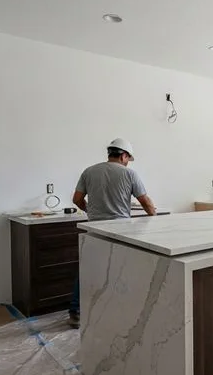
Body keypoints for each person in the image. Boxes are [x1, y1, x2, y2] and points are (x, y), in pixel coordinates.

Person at [67, 138, 156, 328]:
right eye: (128, 158)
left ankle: (75, 312)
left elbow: (76, 199)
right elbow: (146, 202)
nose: (128, 162)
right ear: (124, 155)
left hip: (95, 228)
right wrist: (155, 219)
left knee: (88, 268)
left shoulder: (89, 171)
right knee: (121, 268)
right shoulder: (130, 174)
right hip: (120, 230)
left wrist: (90, 211)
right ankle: (117, 308)